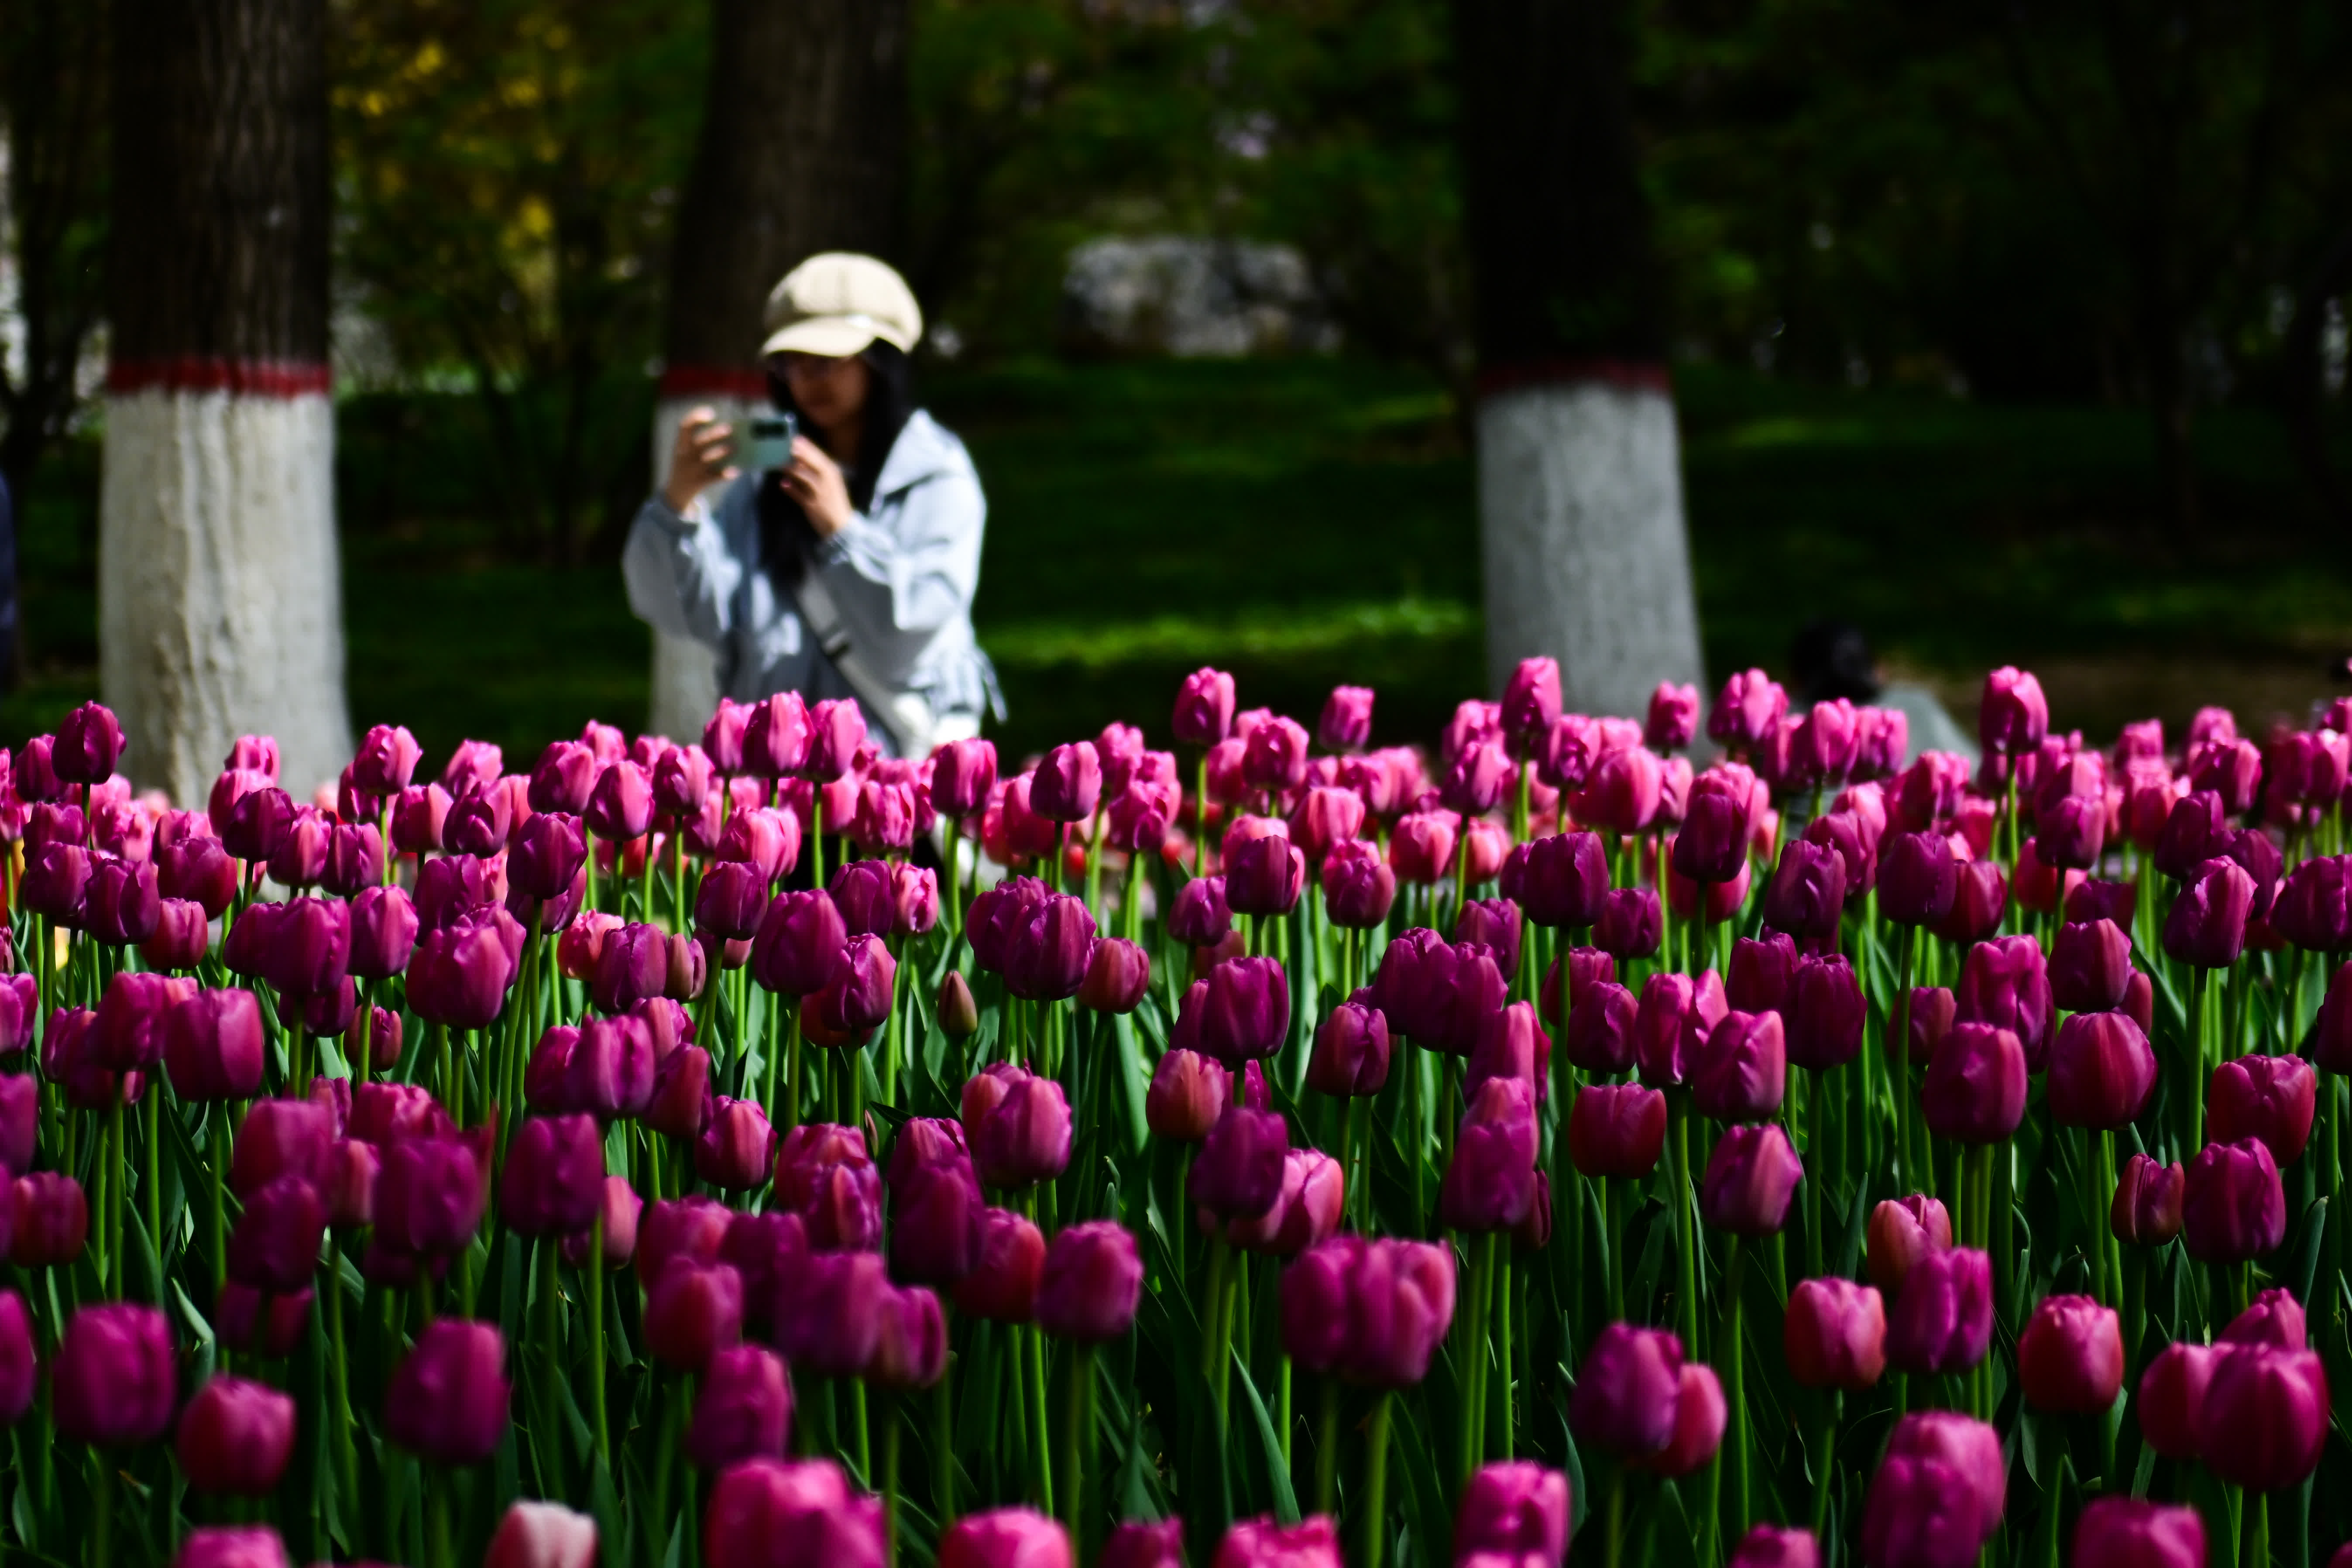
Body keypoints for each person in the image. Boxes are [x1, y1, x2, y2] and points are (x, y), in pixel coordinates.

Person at [624, 252, 999, 756]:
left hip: (890, 797)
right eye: (788, 362)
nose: (804, 380)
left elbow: (908, 638)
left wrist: (842, 533)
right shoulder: (766, 478)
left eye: (824, 361)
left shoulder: (935, 475)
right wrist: (678, 507)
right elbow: (685, 613)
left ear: (882, 360)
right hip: (773, 796)